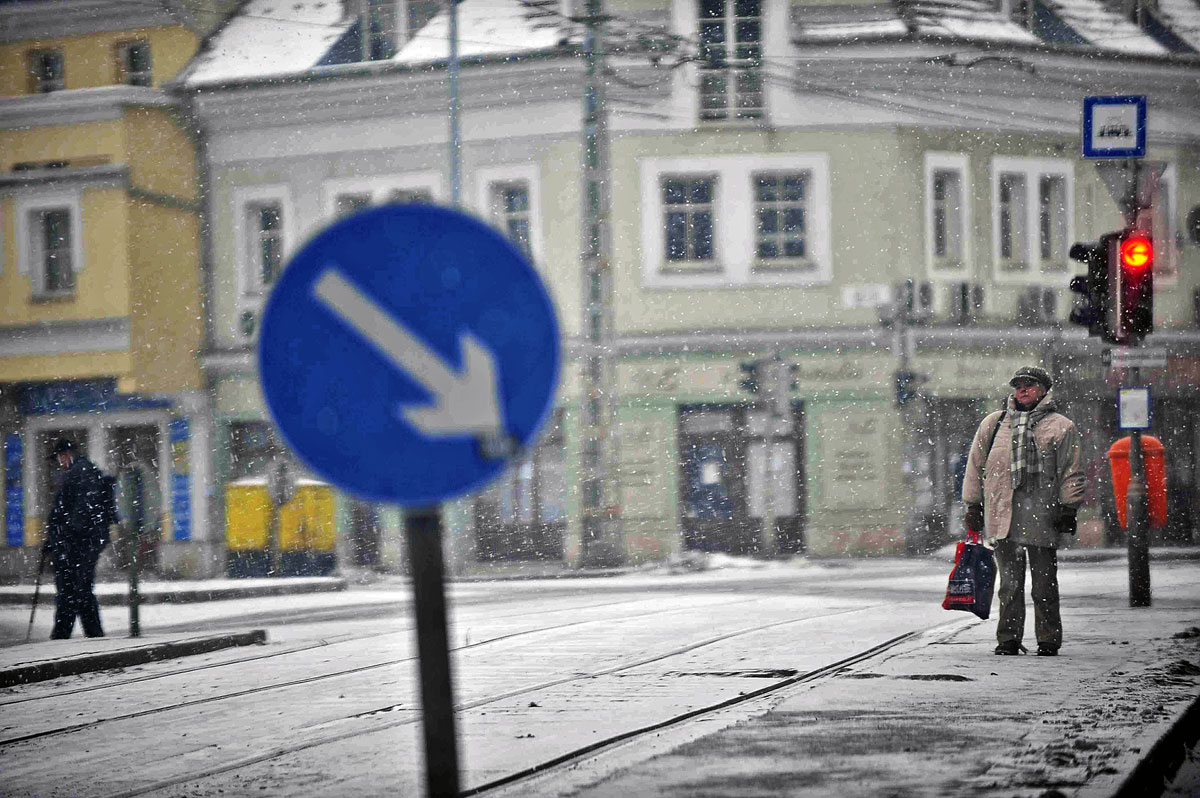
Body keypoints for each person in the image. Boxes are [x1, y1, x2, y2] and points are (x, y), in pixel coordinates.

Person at [961, 366, 1084, 657]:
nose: (1022, 390)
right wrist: (973, 504)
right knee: (1010, 585)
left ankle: (1048, 639)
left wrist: (1069, 508)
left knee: (1044, 585)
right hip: (1003, 515)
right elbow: (976, 466)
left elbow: (1071, 471)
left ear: (1043, 390)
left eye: (1029, 385)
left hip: (1042, 515)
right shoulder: (994, 424)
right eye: (1018, 385)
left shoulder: (1061, 426)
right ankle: (1008, 639)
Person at [45, 439, 111, 639]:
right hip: (80, 543)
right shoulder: (81, 472)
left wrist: (63, 539)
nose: (59, 462)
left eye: (60, 457)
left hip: (78, 544)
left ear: (67, 454)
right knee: (79, 590)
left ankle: (63, 634)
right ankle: (91, 634)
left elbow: (81, 512)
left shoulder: (80, 473)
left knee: (72, 589)